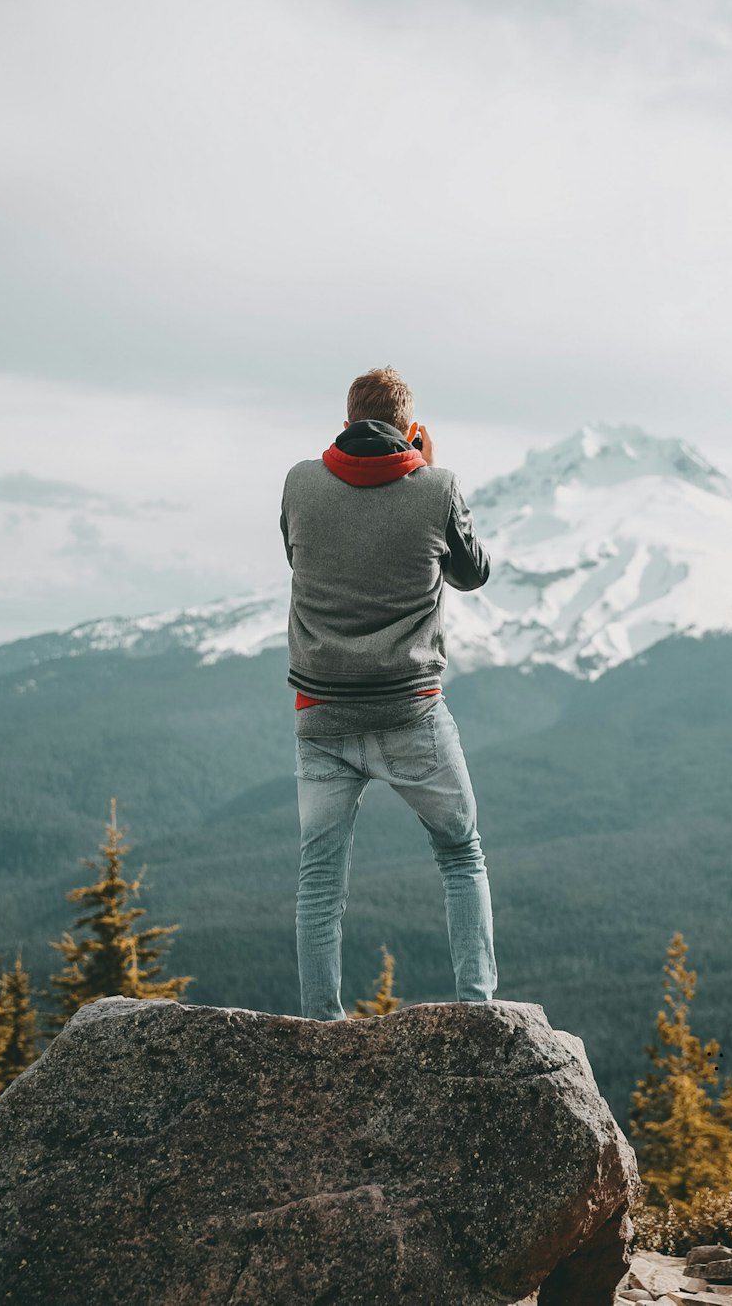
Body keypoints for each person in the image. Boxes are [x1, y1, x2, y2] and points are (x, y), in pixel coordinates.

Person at [280, 364, 498, 1020]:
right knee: (461, 852)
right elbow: (472, 572)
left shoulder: (298, 482)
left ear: (345, 424)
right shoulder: (436, 488)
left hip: (320, 714)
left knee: (320, 876)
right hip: (412, 713)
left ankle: (323, 1025)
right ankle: (478, 1011)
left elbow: (301, 555)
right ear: (411, 430)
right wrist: (425, 468)